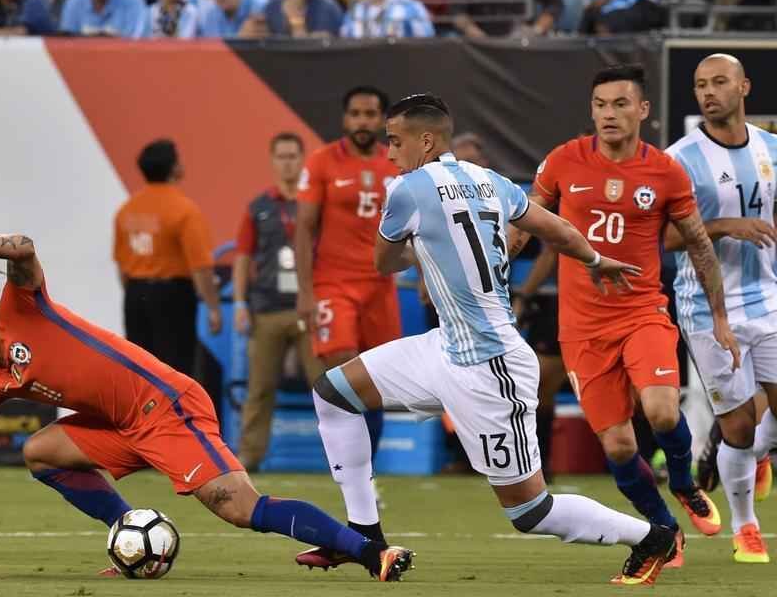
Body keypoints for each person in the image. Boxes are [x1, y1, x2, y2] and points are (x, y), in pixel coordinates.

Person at [0, 234, 415, 580]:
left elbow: (23, 246)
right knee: (40, 451)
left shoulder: (24, 304)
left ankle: (367, 551)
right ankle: (127, 532)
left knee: (239, 508)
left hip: (165, 407)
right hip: (118, 426)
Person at [302, 93, 679, 585]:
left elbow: (384, 264)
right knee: (334, 393)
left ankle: (653, 536)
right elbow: (556, 228)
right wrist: (593, 260)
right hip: (444, 346)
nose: (389, 152)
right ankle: (364, 537)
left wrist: (424, 251)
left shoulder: (406, 189)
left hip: (490, 364)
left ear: (426, 140)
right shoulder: (493, 182)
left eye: (395, 141)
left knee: (530, 512)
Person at [513, 63, 738, 569]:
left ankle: (683, 482)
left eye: (619, 104)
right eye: (600, 105)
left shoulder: (664, 170)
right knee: (617, 447)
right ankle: (662, 526)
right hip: (583, 329)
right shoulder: (564, 162)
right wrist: (499, 260)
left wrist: (720, 318)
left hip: (642, 312)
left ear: (643, 109)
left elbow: (698, 244)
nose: (609, 114)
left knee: (660, 411)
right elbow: (527, 220)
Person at [664, 54, 777, 564]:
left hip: (768, 296)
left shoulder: (772, 149)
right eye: (700, 84)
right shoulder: (680, 159)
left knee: (761, 426)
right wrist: (727, 226)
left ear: (744, 86)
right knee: (737, 429)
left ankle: (758, 457)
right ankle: (746, 527)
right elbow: (665, 236)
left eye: (719, 82)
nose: (708, 92)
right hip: (707, 308)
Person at [294, 86, 400, 479]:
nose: (362, 121)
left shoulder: (397, 163)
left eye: (370, 114)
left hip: (380, 286)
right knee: (341, 372)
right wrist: (305, 291)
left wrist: (424, 274)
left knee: (378, 380)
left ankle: (364, 473)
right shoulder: (322, 161)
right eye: (355, 113)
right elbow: (305, 228)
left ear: (383, 120)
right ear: (345, 118)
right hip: (333, 285)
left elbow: (416, 226)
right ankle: (351, 470)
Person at [234, 133, 319, 471]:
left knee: (327, 387)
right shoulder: (258, 208)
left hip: (310, 308)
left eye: (293, 156)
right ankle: (249, 458)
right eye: (281, 156)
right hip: (267, 308)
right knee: (260, 388)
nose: (287, 162)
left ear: (302, 160)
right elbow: (242, 257)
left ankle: (344, 457)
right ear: (272, 161)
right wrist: (240, 303)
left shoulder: (315, 202)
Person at [114, 139, 222, 382]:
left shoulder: (127, 210)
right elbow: (201, 268)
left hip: (135, 295)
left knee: (139, 368)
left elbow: (122, 266)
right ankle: (173, 420)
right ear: (174, 168)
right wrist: (213, 308)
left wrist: (136, 293)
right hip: (173, 297)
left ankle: (143, 419)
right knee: (176, 370)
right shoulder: (184, 210)